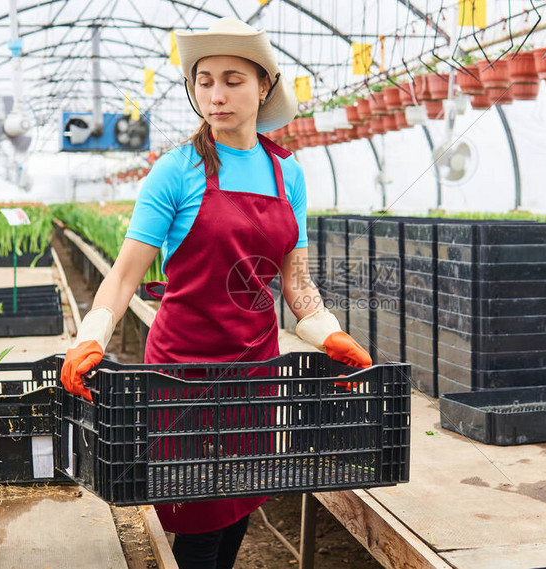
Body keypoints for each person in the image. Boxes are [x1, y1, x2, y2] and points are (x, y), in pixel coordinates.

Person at [60, 17, 372, 569]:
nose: (216, 94)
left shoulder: (286, 173)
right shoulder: (175, 171)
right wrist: (91, 335)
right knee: (199, 521)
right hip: (185, 373)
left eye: (233, 79)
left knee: (240, 504)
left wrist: (331, 334)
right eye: (204, 80)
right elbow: (126, 274)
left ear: (265, 87)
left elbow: (295, 284)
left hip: (255, 366)